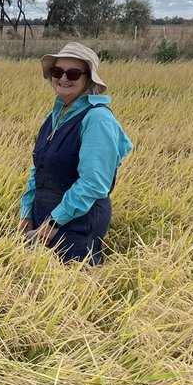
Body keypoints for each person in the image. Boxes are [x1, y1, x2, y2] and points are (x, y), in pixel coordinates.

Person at [18, 42, 133, 265]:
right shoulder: (53, 117)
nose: (63, 78)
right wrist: (26, 212)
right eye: (57, 71)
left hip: (77, 221)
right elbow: (38, 169)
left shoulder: (97, 119)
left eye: (72, 73)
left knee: (69, 290)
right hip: (46, 216)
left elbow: (93, 183)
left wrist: (54, 222)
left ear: (88, 78)